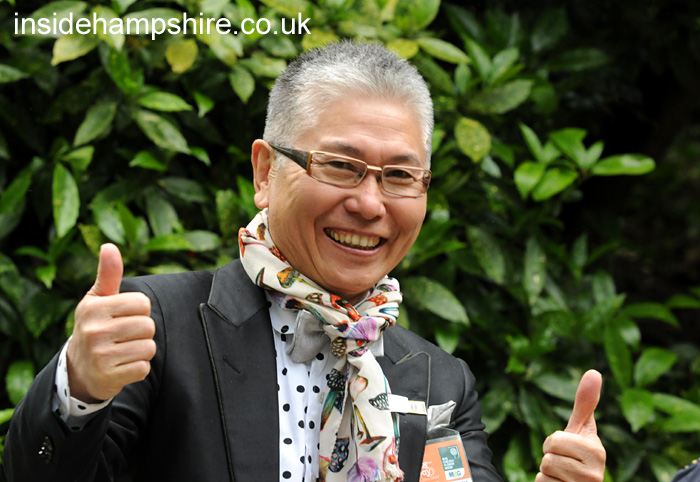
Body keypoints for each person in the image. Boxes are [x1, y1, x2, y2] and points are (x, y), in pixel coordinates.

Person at [4, 41, 606, 482]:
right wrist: (79, 390)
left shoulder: (438, 378)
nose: (369, 204)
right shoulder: (154, 326)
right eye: (340, 166)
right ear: (265, 172)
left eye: (399, 176)